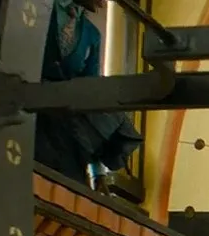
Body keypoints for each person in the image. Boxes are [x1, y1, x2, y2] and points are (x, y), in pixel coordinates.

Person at [35, 0, 142, 186]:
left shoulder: (92, 35)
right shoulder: (38, 6)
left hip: (65, 138)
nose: (103, 3)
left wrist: (98, 173)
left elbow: (90, 98)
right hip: (26, 122)